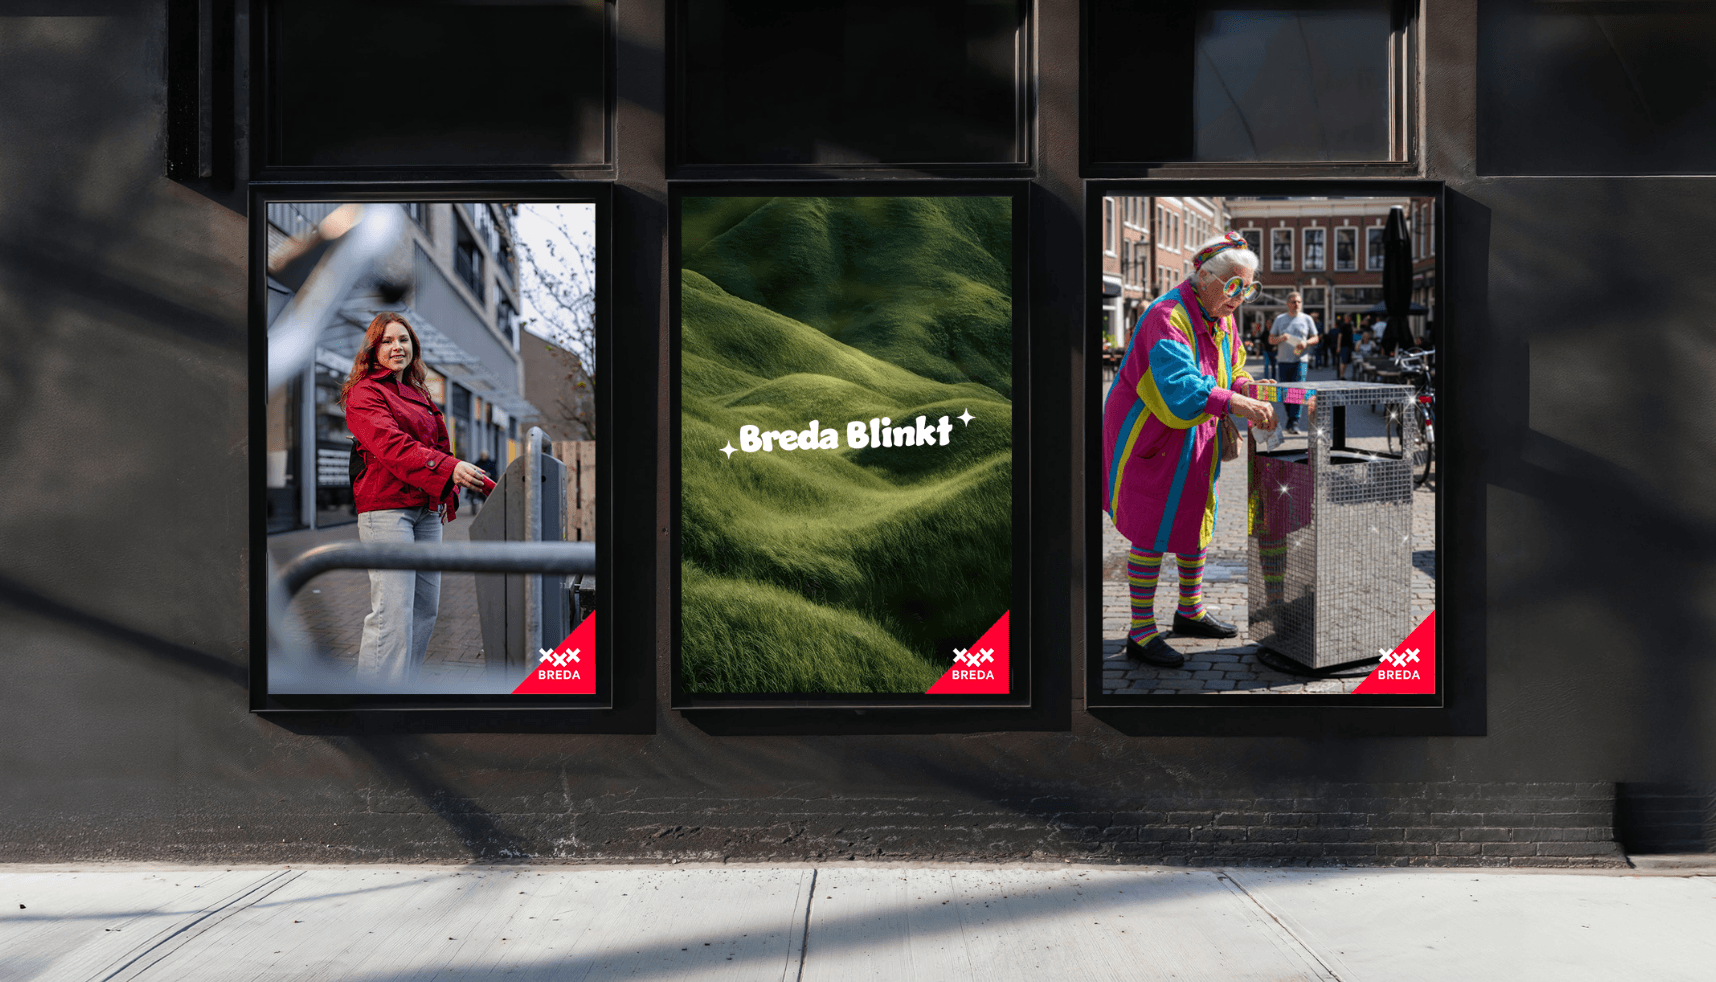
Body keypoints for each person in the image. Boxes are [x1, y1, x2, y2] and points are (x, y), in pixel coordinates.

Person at [1102, 232, 1277, 668]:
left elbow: (1233, 368)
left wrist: (1249, 388)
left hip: (1196, 435)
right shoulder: (1166, 316)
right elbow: (1180, 389)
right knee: (1151, 528)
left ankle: (1190, 611)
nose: (1240, 297)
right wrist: (1235, 402)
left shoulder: (1222, 318)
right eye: (1234, 286)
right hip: (1152, 437)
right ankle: (1141, 631)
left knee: (1195, 515)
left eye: (1249, 288)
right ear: (1204, 277)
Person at [340, 312, 490, 685]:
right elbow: (392, 446)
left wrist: (447, 489)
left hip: (425, 509)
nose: (397, 347)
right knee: (392, 613)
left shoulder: (420, 394)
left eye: (403, 340)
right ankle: (375, 701)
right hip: (387, 510)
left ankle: (403, 690)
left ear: (413, 347)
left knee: (424, 609)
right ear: (373, 349)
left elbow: (439, 444)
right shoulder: (364, 393)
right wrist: (449, 468)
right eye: (387, 341)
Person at [1267, 292, 1319, 435]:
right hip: (1283, 361)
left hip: (1300, 361)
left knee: (1297, 391)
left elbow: (1316, 338)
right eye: (1293, 302)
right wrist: (1281, 338)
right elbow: (1270, 340)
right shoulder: (1280, 319)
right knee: (1286, 393)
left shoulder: (1307, 319)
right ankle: (1291, 419)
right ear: (1287, 304)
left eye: (1299, 302)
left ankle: (1294, 421)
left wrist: (1306, 343)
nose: (1296, 304)